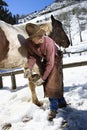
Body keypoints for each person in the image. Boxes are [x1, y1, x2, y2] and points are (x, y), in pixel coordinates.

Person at [25, 23, 66, 121]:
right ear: (31, 39)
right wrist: (29, 68)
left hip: (55, 58)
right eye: (37, 36)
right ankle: (62, 102)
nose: (41, 37)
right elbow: (32, 56)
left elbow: (50, 64)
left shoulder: (49, 43)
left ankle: (53, 109)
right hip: (46, 59)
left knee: (52, 83)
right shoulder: (30, 44)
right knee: (53, 82)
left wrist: (43, 78)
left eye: (41, 35)